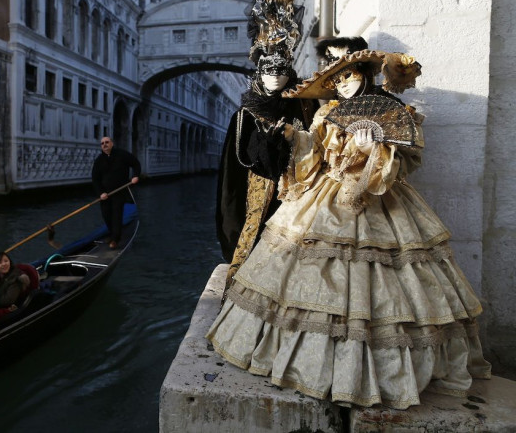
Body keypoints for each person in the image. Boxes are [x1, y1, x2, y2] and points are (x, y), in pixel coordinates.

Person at [206, 44, 491, 409]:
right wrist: (296, 139)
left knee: (383, 280)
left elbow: (405, 161)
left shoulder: (392, 110)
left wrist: (375, 150)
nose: (341, 84)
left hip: (379, 202)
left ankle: (381, 371)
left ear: (366, 76)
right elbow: (316, 154)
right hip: (324, 198)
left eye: (349, 76)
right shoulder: (328, 112)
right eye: (336, 79)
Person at [216, 0, 317, 299]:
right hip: (258, 204)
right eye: (268, 69)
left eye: (281, 70)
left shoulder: (306, 107)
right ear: (258, 69)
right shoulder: (244, 116)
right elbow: (231, 180)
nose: (275, 76)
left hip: (299, 202)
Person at [91, 136, 141, 248]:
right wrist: (100, 193)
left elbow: (135, 163)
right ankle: (113, 234)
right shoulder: (99, 160)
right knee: (106, 215)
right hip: (105, 194)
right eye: (102, 143)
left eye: (107, 142)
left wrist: (136, 176)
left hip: (120, 191)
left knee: (116, 215)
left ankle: (115, 240)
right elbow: (95, 179)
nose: (104, 144)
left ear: (112, 143)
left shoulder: (122, 155)